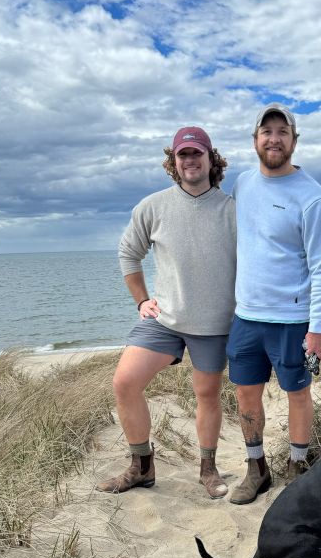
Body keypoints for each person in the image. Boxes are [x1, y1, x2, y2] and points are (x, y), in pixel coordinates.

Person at [96, 127, 236, 498]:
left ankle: (208, 468)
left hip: (213, 323)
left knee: (206, 394)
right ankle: (141, 466)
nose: (190, 161)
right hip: (165, 319)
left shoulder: (231, 209)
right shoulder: (152, 206)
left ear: (211, 159)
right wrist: (142, 301)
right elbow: (129, 253)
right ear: (174, 163)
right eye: (182, 155)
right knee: (125, 383)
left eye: (197, 154)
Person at [227, 103, 321, 505]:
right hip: (246, 317)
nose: (273, 138)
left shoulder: (313, 197)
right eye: (266, 131)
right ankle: (256, 468)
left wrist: (318, 327)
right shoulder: (242, 184)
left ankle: (297, 464)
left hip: (293, 320)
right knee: (245, 395)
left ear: (294, 140)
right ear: (255, 139)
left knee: (297, 393)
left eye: (282, 131)